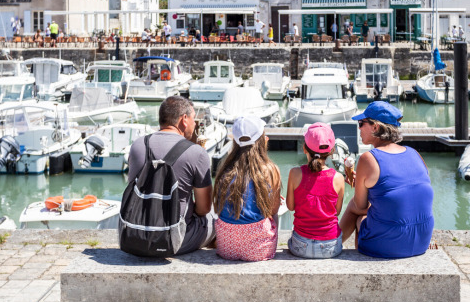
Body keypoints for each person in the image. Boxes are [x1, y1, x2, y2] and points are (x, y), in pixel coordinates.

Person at [339, 101, 434, 258]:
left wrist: (360, 188)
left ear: (375, 127)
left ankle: (334, 244)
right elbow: (405, 194)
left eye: (361, 123)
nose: (359, 128)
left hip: (389, 246)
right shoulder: (414, 153)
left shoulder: (368, 158)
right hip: (421, 241)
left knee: (353, 207)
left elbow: (360, 205)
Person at [126, 96, 216, 255]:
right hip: (173, 241)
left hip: (135, 236)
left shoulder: (138, 145)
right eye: (194, 119)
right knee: (215, 218)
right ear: (184, 119)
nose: (195, 124)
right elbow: (203, 209)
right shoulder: (197, 153)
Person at [214, 116, 282, 262]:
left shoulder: (225, 169)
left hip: (226, 248)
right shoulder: (270, 170)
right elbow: (273, 210)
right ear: (262, 141)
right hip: (258, 250)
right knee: (274, 215)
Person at [286, 123, 345, 258]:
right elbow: (336, 211)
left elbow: (290, 206)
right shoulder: (338, 178)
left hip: (300, 245)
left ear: (304, 149)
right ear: (332, 151)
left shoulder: (294, 173)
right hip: (330, 247)